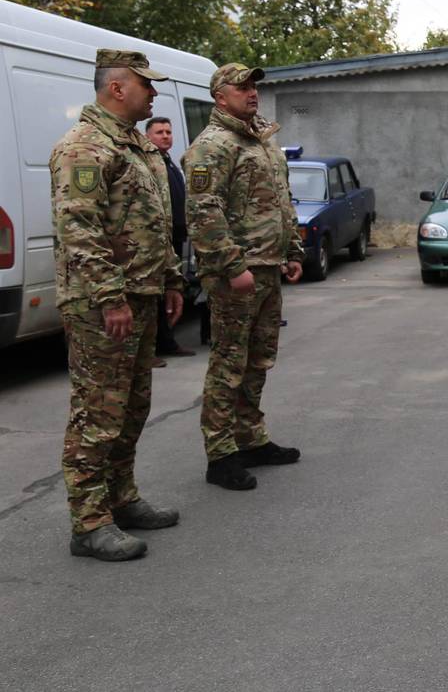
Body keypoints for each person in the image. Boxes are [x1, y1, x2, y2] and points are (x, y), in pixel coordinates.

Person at [51, 49, 184, 561]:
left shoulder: (137, 147)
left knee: (131, 408)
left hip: (142, 295)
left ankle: (121, 498)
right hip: (100, 303)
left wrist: (171, 280)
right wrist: (110, 297)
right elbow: (78, 230)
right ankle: (88, 522)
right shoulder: (83, 147)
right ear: (117, 87)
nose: (153, 92)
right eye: (146, 84)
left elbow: (156, 223)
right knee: (97, 411)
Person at [184, 62, 304, 492]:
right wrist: (233, 266)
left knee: (258, 360)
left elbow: (281, 201)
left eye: (254, 86)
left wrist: (292, 250)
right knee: (228, 363)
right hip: (237, 272)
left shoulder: (263, 140)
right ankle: (220, 454)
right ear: (220, 96)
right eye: (241, 87)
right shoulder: (213, 145)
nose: (251, 92)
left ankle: (250, 437)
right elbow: (203, 211)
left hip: (268, 266)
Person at [145, 116, 195, 362]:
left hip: (175, 234)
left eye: (168, 132)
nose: (165, 136)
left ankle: (166, 341)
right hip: (157, 238)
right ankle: (150, 348)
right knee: (154, 293)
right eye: (159, 132)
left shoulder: (169, 162)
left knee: (170, 290)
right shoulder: (148, 163)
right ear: (148, 136)